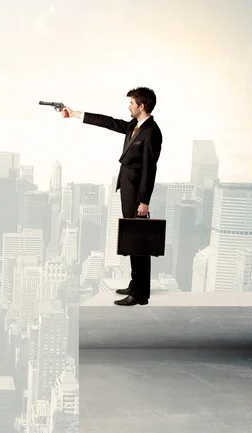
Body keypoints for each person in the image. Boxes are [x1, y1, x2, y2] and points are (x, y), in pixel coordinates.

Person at [60, 87, 162, 306]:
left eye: (132, 103)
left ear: (141, 106)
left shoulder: (152, 132)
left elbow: (149, 169)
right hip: (128, 189)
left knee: (139, 241)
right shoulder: (134, 126)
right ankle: (136, 284)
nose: (129, 107)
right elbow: (108, 122)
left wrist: (144, 200)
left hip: (137, 194)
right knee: (134, 239)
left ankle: (141, 294)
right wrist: (76, 113)